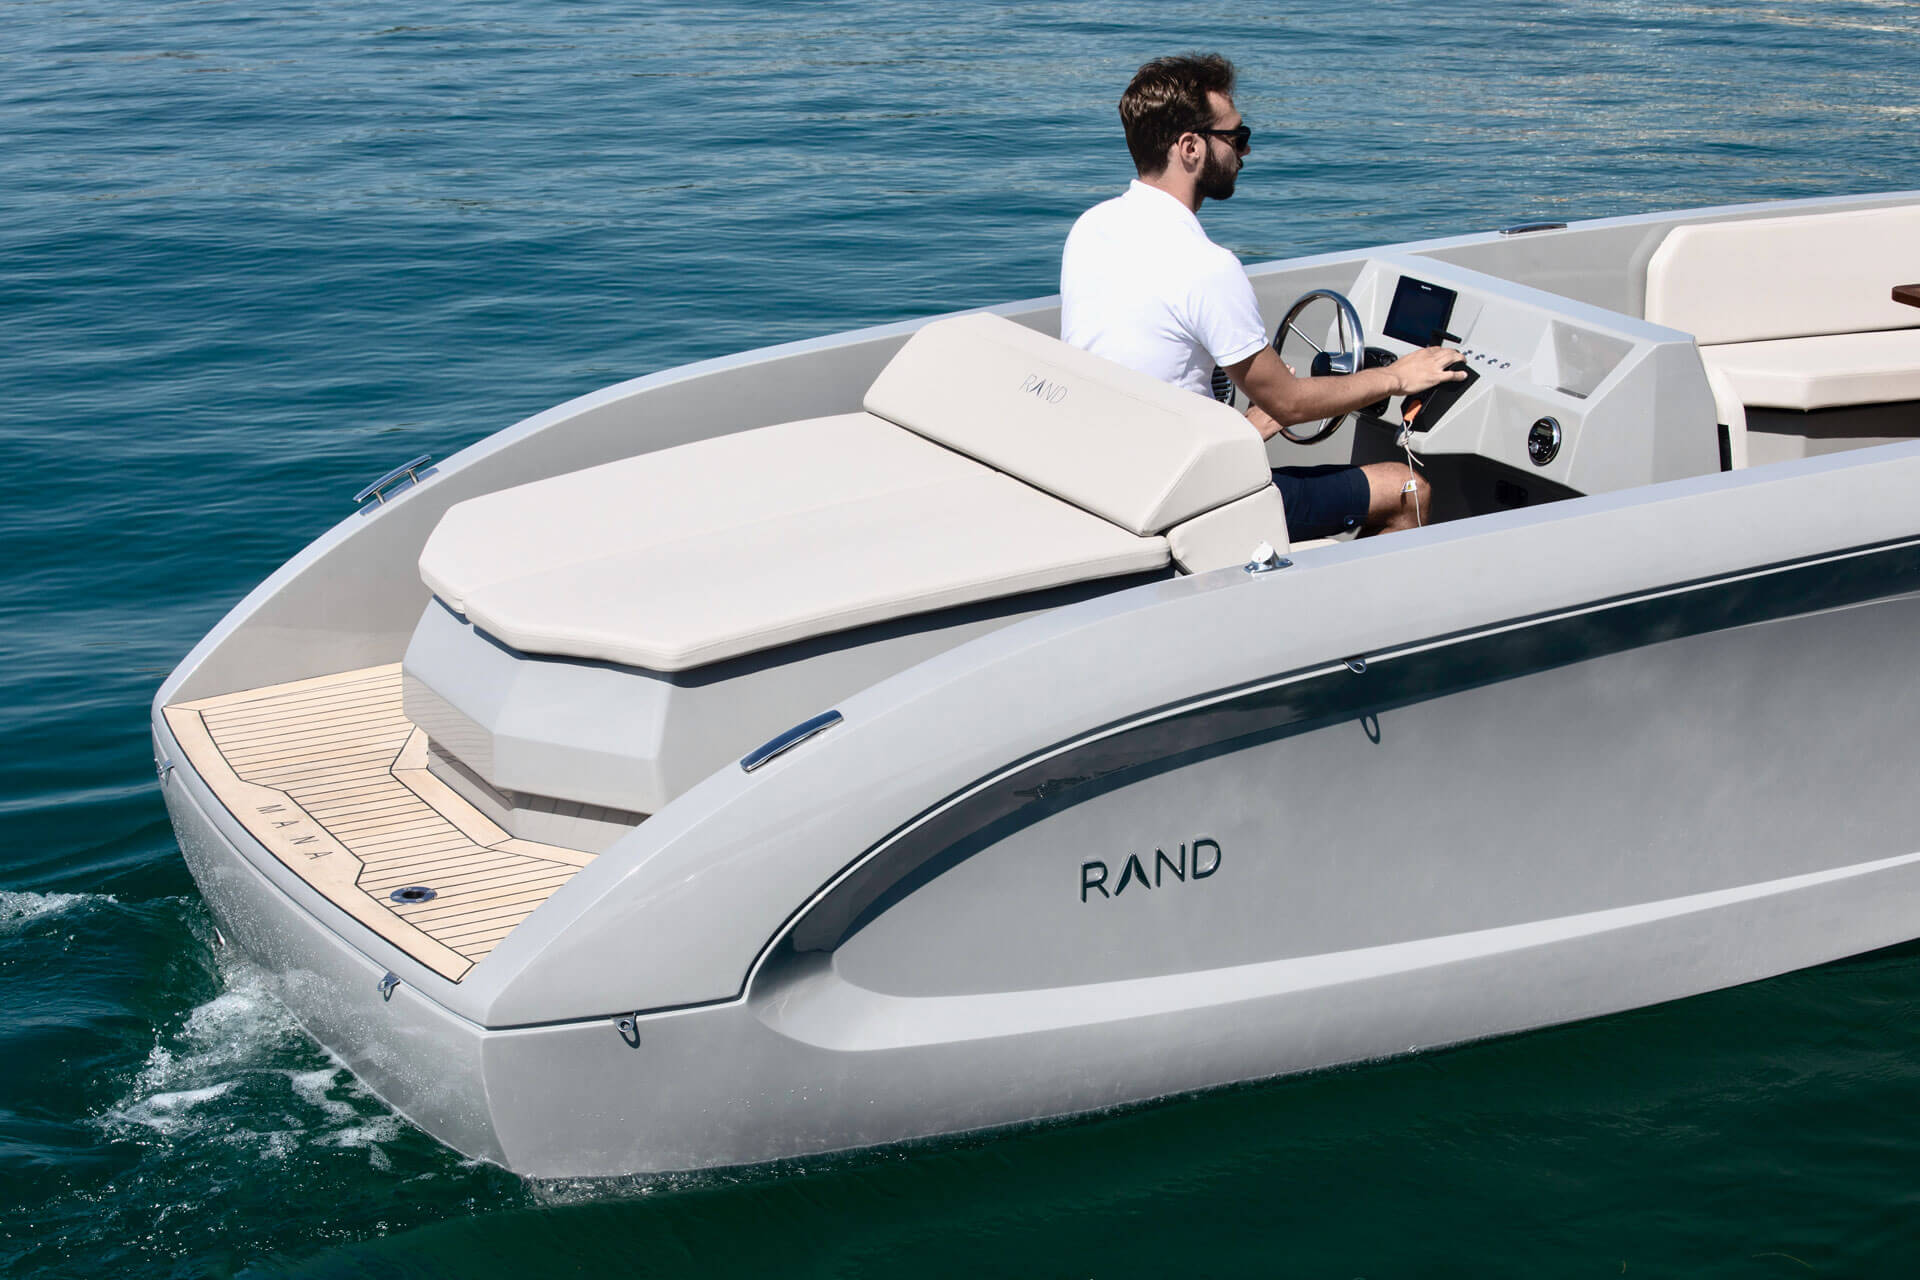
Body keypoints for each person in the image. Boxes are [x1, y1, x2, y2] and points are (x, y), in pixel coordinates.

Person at [1060, 53, 1465, 538]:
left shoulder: (1092, 228)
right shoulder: (1205, 266)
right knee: (1407, 490)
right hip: (1178, 499)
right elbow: (1291, 404)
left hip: (1110, 472)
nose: (1246, 151)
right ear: (1190, 147)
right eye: (1237, 137)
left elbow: (1153, 369)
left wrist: (1248, 427)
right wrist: (1397, 377)